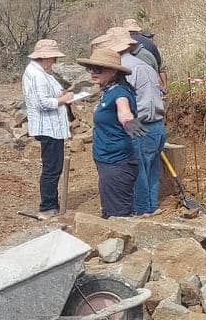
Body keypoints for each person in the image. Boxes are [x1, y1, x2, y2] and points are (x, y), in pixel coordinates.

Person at [98, 27, 165, 216]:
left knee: (138, 173)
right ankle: (151, 207)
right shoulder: (144, 64)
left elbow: (125, 107)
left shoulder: (124, 71)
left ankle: (142, 211)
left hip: (139, 126)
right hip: (157, 124)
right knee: (152, 170)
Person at [77, 45, 143, 217]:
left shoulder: (120, 93)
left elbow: (124, 113)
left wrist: (130, 123)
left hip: (116, 163)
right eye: (90, 68)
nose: (93, 72)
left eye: (98, 69)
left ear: (113, 72)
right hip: (107, 161)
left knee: (117, 216)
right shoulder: (107, 90)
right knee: (110, 211)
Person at [21, 38, 75, 217]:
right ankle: (48, 205)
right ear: (45, 57)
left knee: (52, 166)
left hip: (50, 125)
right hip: (48, 126)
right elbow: (43, 103)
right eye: (53, 58)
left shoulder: (39, 72)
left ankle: (50, 203)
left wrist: (61, 95)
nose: (54, 61)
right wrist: (63, 100)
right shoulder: (36, 75)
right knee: (52, 167)